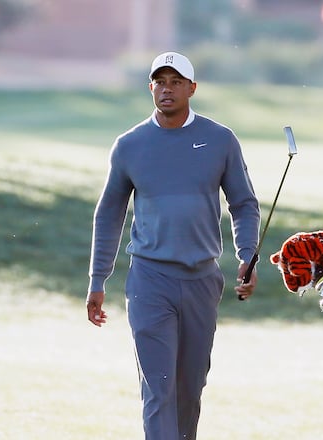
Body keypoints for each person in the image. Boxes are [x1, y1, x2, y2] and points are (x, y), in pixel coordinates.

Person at [85, 51, 260, 440]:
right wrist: (98, 279)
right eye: (160, 82)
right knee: (158, 389)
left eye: (176, 82)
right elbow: (109, 214)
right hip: (150, 280)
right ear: (151, 88)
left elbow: (244, 204)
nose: (167, 89)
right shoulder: (130, 145)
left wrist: (247, 255)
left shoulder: (220, 140)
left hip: (202, 281)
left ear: (192, 89)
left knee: (189, 391)